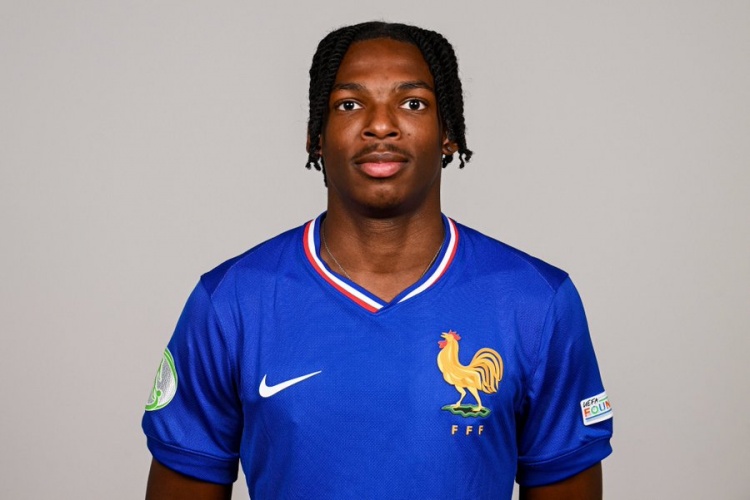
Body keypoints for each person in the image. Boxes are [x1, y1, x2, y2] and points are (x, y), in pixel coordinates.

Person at [142, 21, 613, 500]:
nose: (381, 125)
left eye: (413, 103)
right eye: (349, 104)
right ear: (316, 137)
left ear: (448, 133)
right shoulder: (231, 302)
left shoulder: (537, 302)